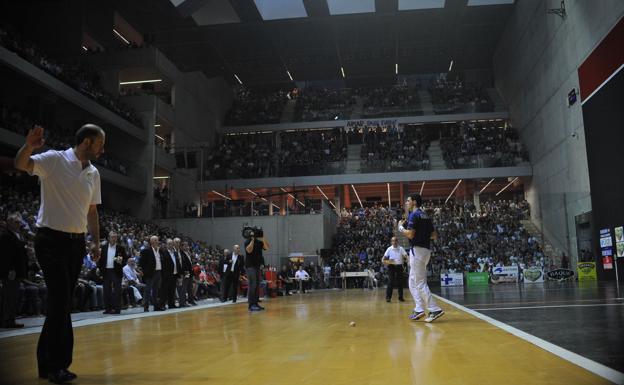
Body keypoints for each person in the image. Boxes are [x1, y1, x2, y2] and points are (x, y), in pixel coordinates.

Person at [14, 124, 104, 383]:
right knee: (61, 299)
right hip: (50, 240)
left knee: (61, 303)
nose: (103, 149)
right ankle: (56, 365)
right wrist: (29, 145)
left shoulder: (93, 173)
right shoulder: (54, 159)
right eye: (100, 143)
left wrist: (95, 242)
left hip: (76, 244)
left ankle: (49, 363)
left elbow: (92, 212)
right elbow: (22, 164)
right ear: (87, 142)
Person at [399, 194, 444, 323]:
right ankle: (419, 308)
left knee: (419, 282)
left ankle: (435, 309)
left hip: (417, 251)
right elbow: (434, 235)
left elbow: (411, 235)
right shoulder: (426, 216)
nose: (406, 203)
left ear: (414, 202)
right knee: (412, 281)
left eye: (407, 200)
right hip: (425, 251)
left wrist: (401, 228)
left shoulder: (414, 215)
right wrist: (422, 235)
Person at [0, 213, 28, 328]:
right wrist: (11, 269)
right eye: (16, 222)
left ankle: (10, 319)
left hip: (17, 271)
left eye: (19, 222)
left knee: (13, 296)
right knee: (10, 297)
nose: (19, 224)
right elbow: (6, 255)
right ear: (9, 223)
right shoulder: (6, 236)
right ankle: (8, 321)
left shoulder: (17, 235)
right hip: (11, 272)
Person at [99, 231, 128, 314]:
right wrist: (100, 271)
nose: (114, 238)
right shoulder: (104, 247)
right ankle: (108, 308)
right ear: (109, 238)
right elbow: (101, 260)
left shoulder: (120, 248)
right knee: (106, 291)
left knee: (117, 291)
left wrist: (118, 260)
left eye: (115, 237)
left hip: (116, 271)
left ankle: (117, 309)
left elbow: (125, 259)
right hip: (106, 271)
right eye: (112, 237)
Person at [245, 230, 269, 311]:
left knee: (257, 285)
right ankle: (251, 305)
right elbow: (249, 250)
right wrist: (252, 240)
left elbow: (266, 247)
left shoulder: (259, 242)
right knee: (253, 285)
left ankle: (255, 303)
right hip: (250, 266)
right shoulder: (247, 241)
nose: (254, 234)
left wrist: (263, 238)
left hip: (257, 266)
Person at [139, 235, 164, 312]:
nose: (157, 241)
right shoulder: (146, 251)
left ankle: (156, 306)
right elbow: (142, 263)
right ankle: (146, 307)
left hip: (159, 272)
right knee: (148, 290)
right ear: (151, 241)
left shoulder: (160, 250)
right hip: (150, 273)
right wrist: (144, 272)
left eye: (157, 240)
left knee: (156, 290)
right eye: (155, 240)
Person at [382, 236, 407, 303]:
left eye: (395, 240)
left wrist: (407, 259)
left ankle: (400, 297)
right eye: (393, 241)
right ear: (391, 242)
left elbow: (405, 256)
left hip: (399, 266)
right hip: (391, 266)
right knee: (390, 282)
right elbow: (383, 259)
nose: (394, 242)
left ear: (397, 241)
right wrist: (386, 262)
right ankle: (388, 298)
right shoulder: (389, 249)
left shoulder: (401, 248)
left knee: (400, 282)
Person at [178, 240, 196, 306]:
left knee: (190, 287)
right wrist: (184, 274)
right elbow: (183, 265)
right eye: (185, 245)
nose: (187, 247)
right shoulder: (181, 253)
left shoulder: (188, 253)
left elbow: (190, 264)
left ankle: (191, 300)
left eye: (187, 245)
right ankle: (183, 302)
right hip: (185, 272)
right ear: (182, 246)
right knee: (184, 287)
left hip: (190, 272)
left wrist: (192, 273)